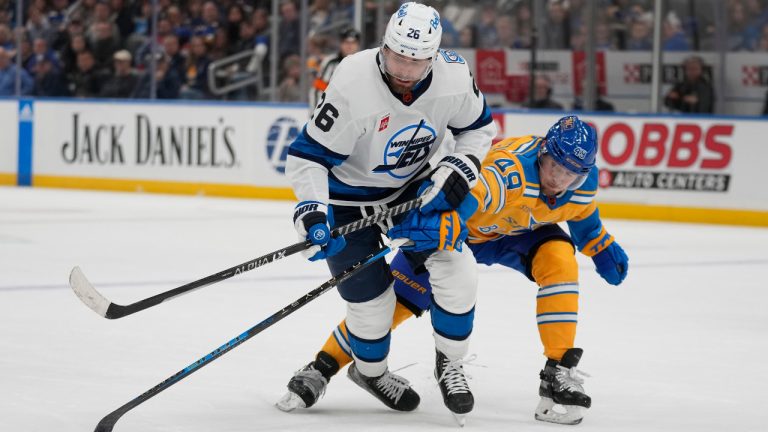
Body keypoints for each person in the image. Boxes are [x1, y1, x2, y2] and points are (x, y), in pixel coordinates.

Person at [279, 116, 629, 426]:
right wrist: (441, 221)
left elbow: (582, 218)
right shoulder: (509, 172)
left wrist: (600, 245)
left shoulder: (583, 182)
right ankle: (321, 366)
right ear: (543, 154)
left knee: (559, 257)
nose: (561, 180)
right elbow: (471, 195)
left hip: (515, 237)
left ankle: (558, 372)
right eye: (556, 168)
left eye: (572, 173)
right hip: (463, 233)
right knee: (390, 305)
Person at [283, 1, 496, 422]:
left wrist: (461, 166)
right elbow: (308, 156)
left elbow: (478, 129)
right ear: (383, 46)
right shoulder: (353, 81)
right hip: (346, 203)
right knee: (372, 306)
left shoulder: (454, 77)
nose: (403, 69)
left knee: (457, 266)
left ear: (433, 57)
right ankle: (371, 373)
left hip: (412, 192)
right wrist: (311, 213)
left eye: (415, 62)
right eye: (396, 56)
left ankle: (450, 362)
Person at [308, 27, 361, 111]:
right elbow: (318, 90)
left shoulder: (365, 64)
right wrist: (315, 113)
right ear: (341, 44)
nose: (349, 46)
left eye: (353, 43)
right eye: (346, 42)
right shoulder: (330, 63)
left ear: (358, 45)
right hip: (333, 112)